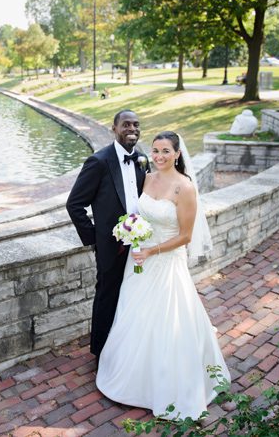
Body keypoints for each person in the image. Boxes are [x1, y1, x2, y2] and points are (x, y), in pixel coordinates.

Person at [96, 131, 230, 420]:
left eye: (166, 151)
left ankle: (168, 385)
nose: (159, 156)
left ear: (178, 154)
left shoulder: (185, 188)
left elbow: (185, 236)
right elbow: (138, 213)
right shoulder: (147, 178)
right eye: (155, 150)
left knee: (168, 320)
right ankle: (131, 376)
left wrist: (152, 250)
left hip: (166, 261)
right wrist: (129, 229)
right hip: (140, 260)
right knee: (135, 315)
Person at [66, 109, 149, 358]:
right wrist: (95, 239)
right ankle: (100, 351)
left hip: (139, 244)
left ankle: (125, 346)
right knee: (107, 295)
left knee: (134, 294)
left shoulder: (143, 159)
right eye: (126, 125)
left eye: (136, 124)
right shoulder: (99, 161)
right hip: (111, 246)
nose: (132, 129)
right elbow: (75, 204)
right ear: (114, 128)